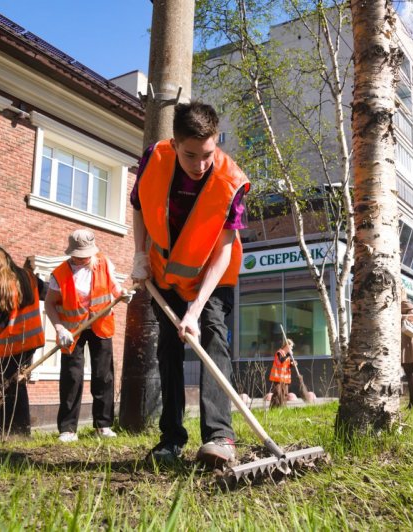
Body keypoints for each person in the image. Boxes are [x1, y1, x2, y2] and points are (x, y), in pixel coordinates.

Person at [130, 101, 250, 467]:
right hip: (165, 273)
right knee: (168, 346)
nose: (200, 165)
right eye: (190, 155)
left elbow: (224, 253)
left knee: (212, 335)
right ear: (175, 143)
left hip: (212, 277)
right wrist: (138, 254)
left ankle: (219, 437)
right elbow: (138, 203)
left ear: (217, 141)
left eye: (208, 154)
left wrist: (196, 310)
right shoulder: (156, 157)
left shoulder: (231, 181)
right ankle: (170, 438)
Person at [45, 229, 132, 443]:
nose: (81, 258)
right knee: (72, 377)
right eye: (78, 255)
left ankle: (103, 425)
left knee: (103, 375)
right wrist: (59, 329)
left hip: (100, 325)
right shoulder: (60, 274)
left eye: (85, 255)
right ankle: (67, 429)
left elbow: (114, 288)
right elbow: (49, 304)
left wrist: (123, 295)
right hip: (71, 331)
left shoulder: (103, 263)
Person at [0, 246, 45, 436]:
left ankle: (13, 431)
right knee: (18, 384)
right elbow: (47, 292)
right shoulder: (27, 277)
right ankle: (16, 431)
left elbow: (1, 320)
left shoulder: (0, 284)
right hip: (31, 340)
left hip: (12, 343)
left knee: (9, 386)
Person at [269, 339, 295, 408]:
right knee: (277, 393)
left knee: (285, 394)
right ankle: (273, 407)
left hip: (285, 379)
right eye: (291, 346)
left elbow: (286, 365)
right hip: (277, 377)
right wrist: (288, 355)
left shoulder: (287, 355)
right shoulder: (279, 353)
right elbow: (281, 361)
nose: (292, 348)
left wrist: (292, 364)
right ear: (287, 345)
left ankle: (282, 407)